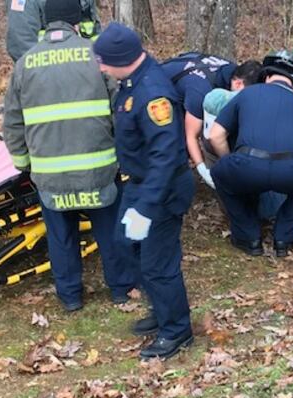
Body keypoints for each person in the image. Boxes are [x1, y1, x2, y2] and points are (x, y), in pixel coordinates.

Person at [3, 0, 125, 312]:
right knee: (109, 232)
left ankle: (70, 297)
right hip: (98, 169)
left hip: (51, 177)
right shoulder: (96, 58)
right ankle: (121, 288)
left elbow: (13, 123)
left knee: (60, 237)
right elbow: (118, 110)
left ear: (45, 21)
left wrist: (24, 164)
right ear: (77, 22)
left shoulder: (25, 64)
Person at [94, 24, 195, 360]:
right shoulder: (131, 82)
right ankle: (162, 308)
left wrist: (147, 208)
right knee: (124, 244)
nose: (101, 68)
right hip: (140, 184)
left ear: (122, 59)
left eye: (104, 62)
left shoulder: (153, 94)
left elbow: (165, 158)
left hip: (161, 191)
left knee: (157, 264)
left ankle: (176, 330)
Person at [209, 50, 293, 258]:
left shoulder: (246, 94)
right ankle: (283, 240)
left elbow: (215, 136)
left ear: (267, 76)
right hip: (291, 172)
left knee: (220, 173)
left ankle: (248, 238)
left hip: (247, 166)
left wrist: (232, 164)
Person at [160, 52, 261, 187]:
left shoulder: (231, 71)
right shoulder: (200, 91)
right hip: (162, 92)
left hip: (184, 77)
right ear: (237, 83)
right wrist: (203, 169)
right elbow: (191, 137)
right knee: (177, 144)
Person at [6, 0, 101, 62]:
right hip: (43, 78)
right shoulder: (25, 3)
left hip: (83, 73)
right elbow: (21, 45)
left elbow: (93, 31)